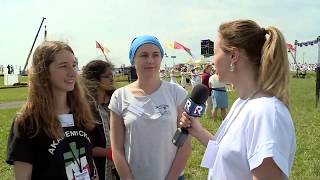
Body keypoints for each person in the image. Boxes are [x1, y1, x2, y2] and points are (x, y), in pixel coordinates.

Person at [179, 20, 296, 179]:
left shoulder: (267, 113)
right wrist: (198, 131)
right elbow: (226, 154)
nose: (212, 60)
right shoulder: (242, 103)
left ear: (233, 55)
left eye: (215, 52)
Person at [6, 41, 97, 179]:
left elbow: (90, 165)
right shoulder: (28, 122)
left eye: (73, 65)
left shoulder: (81, 113)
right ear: (43, 72)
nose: (73, 72)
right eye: (63, 66)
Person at [109, 35, 191, 180]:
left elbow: (184, 144)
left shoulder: (176, 93)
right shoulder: (119, 97)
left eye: (155, 55)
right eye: (143, 55)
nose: (150, 60)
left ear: (161, 58)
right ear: (133, 59)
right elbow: (117, 149)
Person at [82, 60, 119, 180]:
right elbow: (85, 145)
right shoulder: (84, 107)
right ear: (94, 79)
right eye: (107, 76)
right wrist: (110, 153)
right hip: (96, 167)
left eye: (111, 75)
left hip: (120, 166)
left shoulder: (117, 100)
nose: (111, 79)